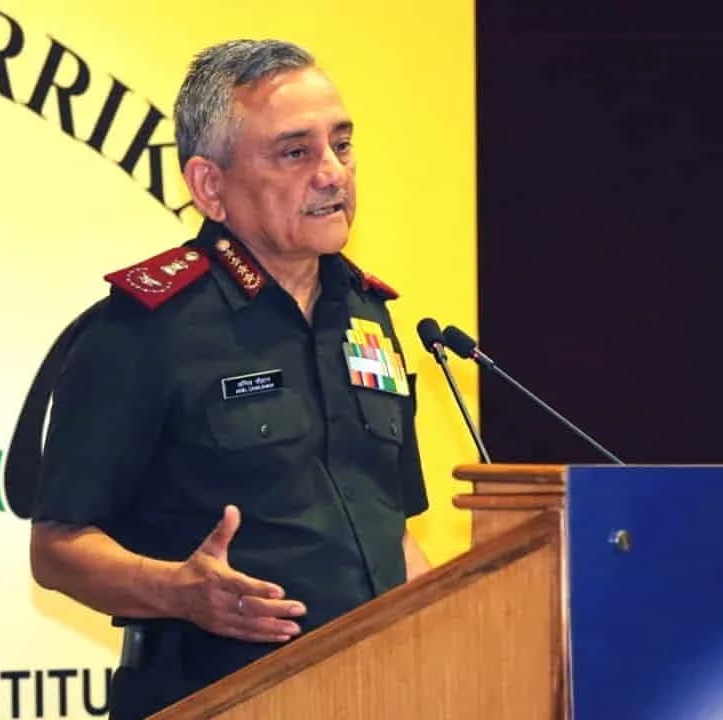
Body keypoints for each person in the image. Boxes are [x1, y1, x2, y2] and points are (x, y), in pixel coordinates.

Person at [29, 39, 431, 719]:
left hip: (374, 695)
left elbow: (393, 533)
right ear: (210, 186)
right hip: (214, 699)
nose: (332, 173)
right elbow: (57, 550)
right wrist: (177, 592)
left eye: (342, 145)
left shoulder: (367, 315)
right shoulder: (142, 330)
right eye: (295, 152)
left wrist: (452, 634)